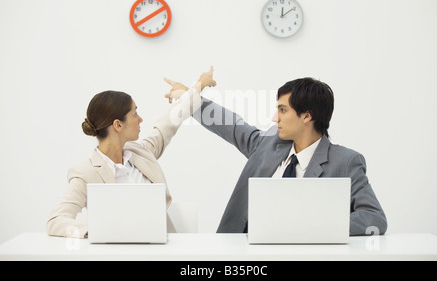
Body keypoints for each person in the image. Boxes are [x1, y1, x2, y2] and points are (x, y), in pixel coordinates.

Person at [166, 76, 387, 236]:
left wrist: (316, 226)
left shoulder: (346, 161)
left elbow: (374, 218)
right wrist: (189, 98)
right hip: (239, 254)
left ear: (306, 116)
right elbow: (230, 125)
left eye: (282, 110)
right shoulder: (268, 144)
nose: (274, 118)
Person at [46, 67, 216, 238]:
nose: (141, 119)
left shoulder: (141, 153)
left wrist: (199, 85)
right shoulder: (86, 174)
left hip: (162, 253)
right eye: (135, 114)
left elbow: (167, 123)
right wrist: (92, 232)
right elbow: (56, 221)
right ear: (118, 125)